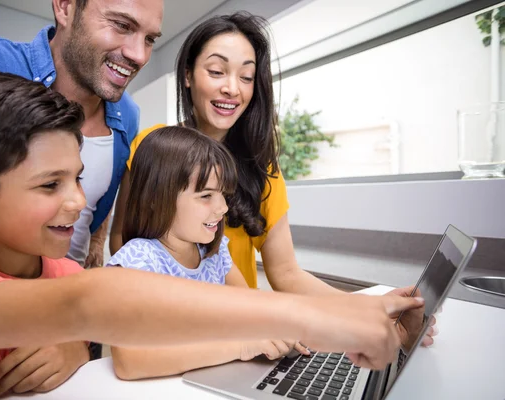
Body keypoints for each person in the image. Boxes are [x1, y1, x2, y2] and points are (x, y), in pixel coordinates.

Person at [0, 71, 423, 400]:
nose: (79, 202)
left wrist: (76, 350)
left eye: (78, 178)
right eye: (49, 184)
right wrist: (327, 317)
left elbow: (84, 321)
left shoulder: (57, 270)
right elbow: (89, 300)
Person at [109, 12, 437, 347]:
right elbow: (122, 238)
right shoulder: (151, 146)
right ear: (189, 75)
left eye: (247, 77)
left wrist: (370, 309)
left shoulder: (262, 169)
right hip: (167, 335)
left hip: (243, 336)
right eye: (217, 71)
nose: (232, 88)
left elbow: (286, 273)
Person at [0, 0, 165, 269]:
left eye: (150, 40)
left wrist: (97, 241)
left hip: (69, 290)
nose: (140, 56)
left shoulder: (127, 115)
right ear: (65, 7)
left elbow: (103, 191)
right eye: (122, 25)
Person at [107, 126, 312, 380]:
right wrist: (239, 346)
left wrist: (280, 330)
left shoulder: (215, 253)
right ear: (156, 197)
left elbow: (251, 310)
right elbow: (128, 362)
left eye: (224, 195)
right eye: (206, 196)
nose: (223, 208)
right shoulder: (136, 262)